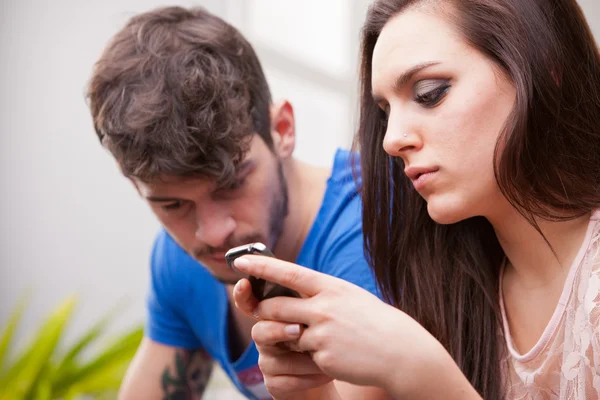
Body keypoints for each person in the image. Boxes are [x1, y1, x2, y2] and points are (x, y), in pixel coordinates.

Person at [233, 0, 600, 399]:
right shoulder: (440, 286)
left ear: (546, 70)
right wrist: (311, 389)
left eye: (429, 93)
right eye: (385, 110)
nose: (391, 139)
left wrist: (420, 371)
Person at [85, 5, 386, 400]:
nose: (212, 232)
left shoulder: (371, 226)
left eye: (230, 185)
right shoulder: (180, 259)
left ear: (282, 130)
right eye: (173, 205)